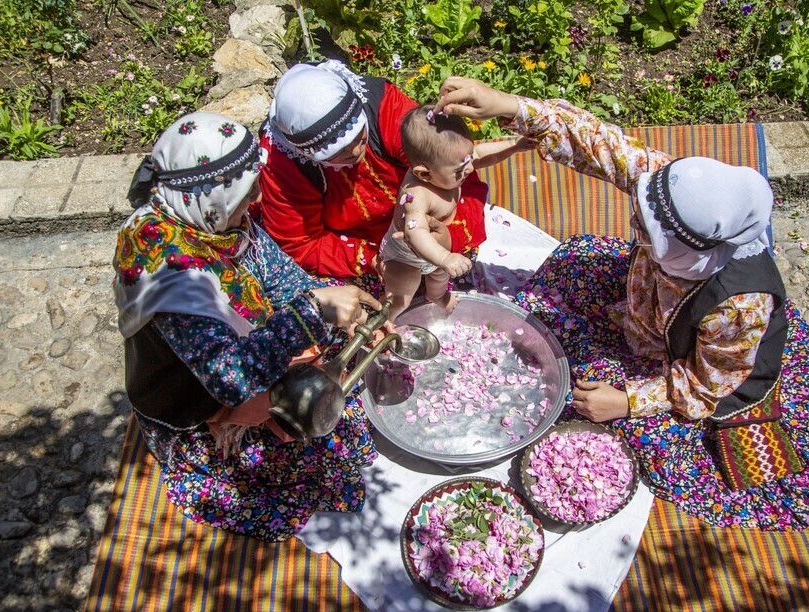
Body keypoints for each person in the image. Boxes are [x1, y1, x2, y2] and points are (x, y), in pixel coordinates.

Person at [434, 78, 809, 531]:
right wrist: (506, 105)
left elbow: (704, 385)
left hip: (689, 362)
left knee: (617, 419)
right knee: (574, 266)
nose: (634, 226)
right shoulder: (671, 188)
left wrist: (628, 401)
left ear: (693, 254)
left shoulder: (738, 307)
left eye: (646, 234)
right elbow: (594, 139)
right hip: (644, 309)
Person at [114, 111, 386, 541]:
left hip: (244, 358)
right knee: (299, 467)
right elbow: (232, 380)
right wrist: (315, 312)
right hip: (198, 398)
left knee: (338, 431)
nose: (256, 202)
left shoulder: (217, 226)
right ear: (213, 198)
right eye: (247, 194)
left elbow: (278, 275)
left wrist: (341, 313)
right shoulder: (175, 280)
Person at [256, 60, 488, 285]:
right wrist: (373, 258)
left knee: (453, 269)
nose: (356, 151)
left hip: (430, 222)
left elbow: (453, 166)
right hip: (356, 246)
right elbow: (301, 244)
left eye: (359, 135)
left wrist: (448, 237)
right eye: (336, 152)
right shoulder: (282, 164)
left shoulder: (385, 109)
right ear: (306, 153)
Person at [380, 106, 532, 319]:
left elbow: (481, 155)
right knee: (400, 296)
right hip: (406, 257)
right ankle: (385, 319)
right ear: (424, 174)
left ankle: (437, 297)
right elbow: (415, 232)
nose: (469, 169)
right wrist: (445, 257)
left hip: (439, 252)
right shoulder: (417, 195)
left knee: (439, 279)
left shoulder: (449, 165)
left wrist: (514, 146)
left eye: (469, 158)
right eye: (460, 170)